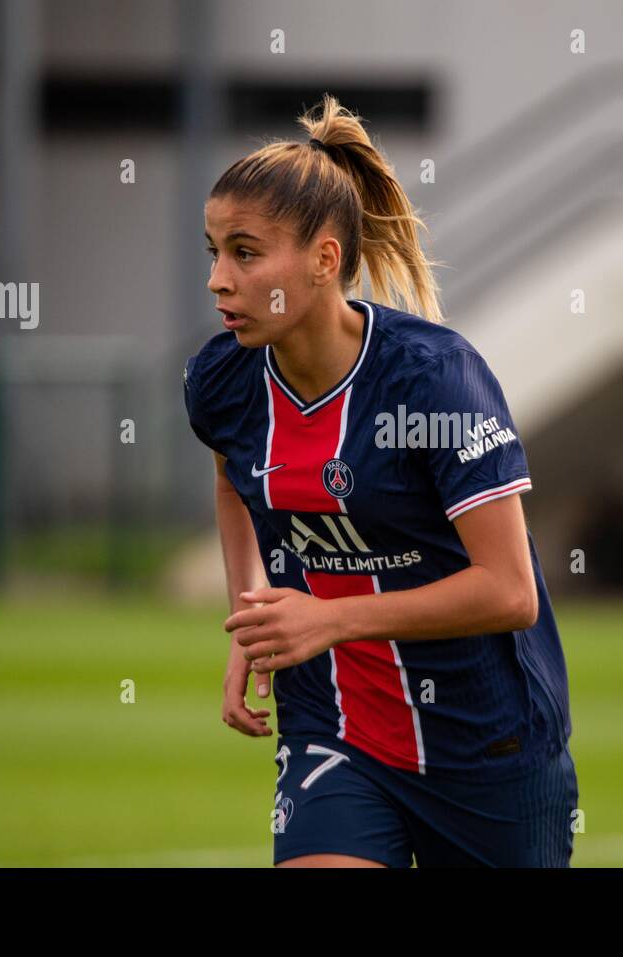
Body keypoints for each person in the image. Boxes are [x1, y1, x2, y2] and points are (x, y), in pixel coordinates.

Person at [183, 95, 577, 866]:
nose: (218, 281)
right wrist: (255, 617)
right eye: (212, 253)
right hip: (334, 733)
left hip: (489, 747)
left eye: (244, 253)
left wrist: (327, 620)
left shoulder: (436, 380)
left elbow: (509, 591)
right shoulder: (221, 381)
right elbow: (234, 471)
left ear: (326, 260)